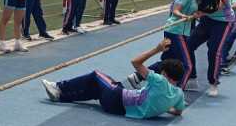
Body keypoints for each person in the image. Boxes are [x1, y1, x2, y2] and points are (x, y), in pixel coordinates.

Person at [41, 39, 185, 119]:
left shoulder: (160, 81)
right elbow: (178, 112)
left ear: (164, 73)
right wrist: (162, 107)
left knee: (96, 75)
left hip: (116, 98)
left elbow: (135, 62)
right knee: (97, 88)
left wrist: (157, 49)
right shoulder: (179, 94)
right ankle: (60, 96)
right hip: (120, 109)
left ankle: (59, 87)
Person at [149, 0, 215, 90]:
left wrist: (195, 14)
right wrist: (183, 16)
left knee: (167, 61)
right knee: (187, 65)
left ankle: (138, 75)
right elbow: (175, 10)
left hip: (180, 31)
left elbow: (190, 11)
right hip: (176, 31)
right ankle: (178, 92)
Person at [187, 0, 233, 97]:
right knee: (188, 45)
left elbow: (217, 7)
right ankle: (192, 78)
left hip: (222, 23)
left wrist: (201, 12)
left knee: (213, 51)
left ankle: (213, 83)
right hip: (206, 21)